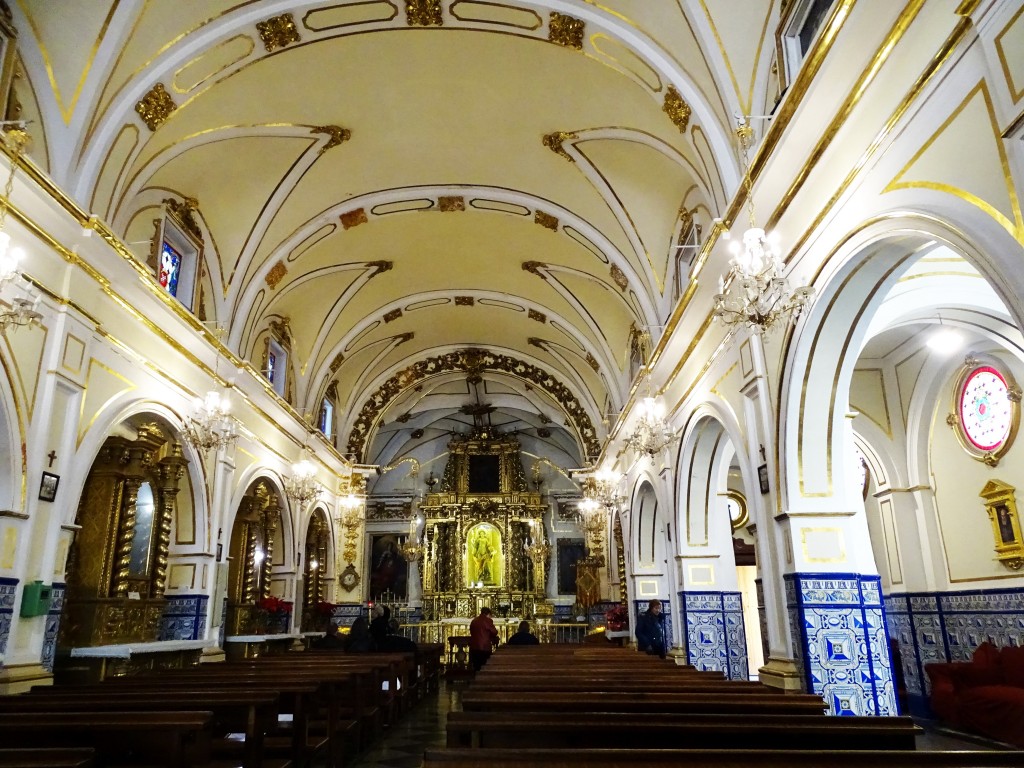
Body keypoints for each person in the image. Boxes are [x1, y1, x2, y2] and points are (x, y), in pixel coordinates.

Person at [468, 606, 499, 671]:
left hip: (474, 647)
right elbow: (494, 632)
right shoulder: (488, 620)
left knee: (476, 666)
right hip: (484, 647)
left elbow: (471, 631)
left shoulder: (474, 620)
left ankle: (476, 679)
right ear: (488, 614)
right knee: (484, 666)